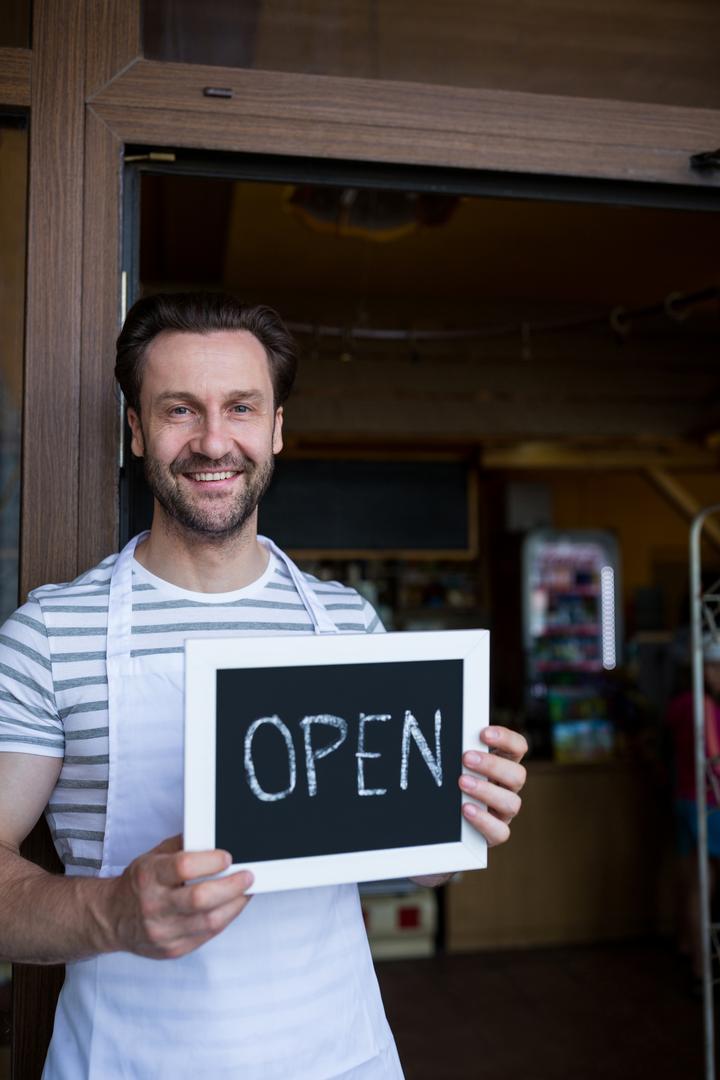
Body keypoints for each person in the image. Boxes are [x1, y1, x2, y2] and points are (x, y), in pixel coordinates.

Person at [0, 293, 528, 1078]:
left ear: (276, 426)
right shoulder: (51, 634)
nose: (214, 441)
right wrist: (108, 912)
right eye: (180, 409)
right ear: (138, 429)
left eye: (240, 408)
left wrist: (463, 813)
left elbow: (424, 865)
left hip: (343, 1057)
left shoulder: (347, 624)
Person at [666, 637, 720, 986]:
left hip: (682, 799)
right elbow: (714, 761)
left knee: (693, 885)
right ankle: (704, 967)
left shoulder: (678, 704)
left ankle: (691, 953)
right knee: (706, 886)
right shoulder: (703, 705)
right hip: (708, 804)